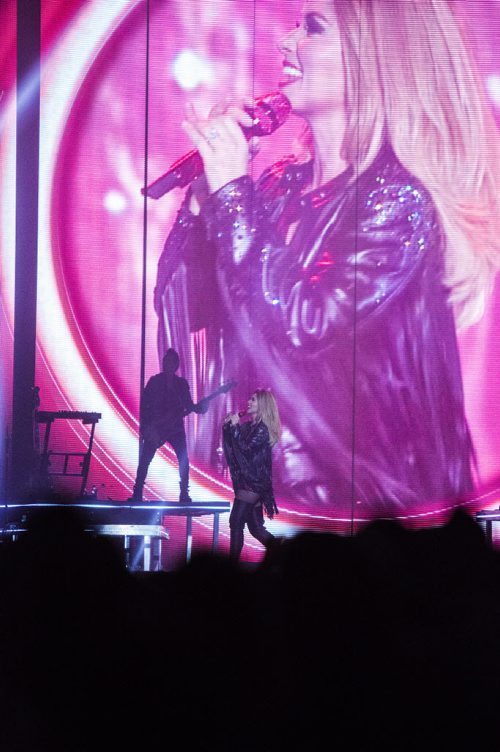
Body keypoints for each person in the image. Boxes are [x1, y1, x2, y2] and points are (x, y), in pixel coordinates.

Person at [154, 0, 500, 519]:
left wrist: (232, 192)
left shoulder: (396, 200)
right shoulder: (275, 189)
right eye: (295, 24)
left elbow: (303, 322)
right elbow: (191, 308)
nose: (285, 41)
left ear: (378, 54)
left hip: (354, 510)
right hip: (254, 490)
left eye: (312, 27)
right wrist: (209, 193)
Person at [129, 348, 207, 503]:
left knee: (183, 459)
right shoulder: (154, 381)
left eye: (170, 362)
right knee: (145, 459)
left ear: (176, 364)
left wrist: (200, 408)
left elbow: (189, 405)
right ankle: (137, 492)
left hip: (175, 428)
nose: (167, 364)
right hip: (156, 427)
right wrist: (146, 428)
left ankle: (184, 493)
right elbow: (145, 405)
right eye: (166, 361)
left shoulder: (181, 384)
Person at [223, 388, 281, 561]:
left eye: (253, 400)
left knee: (236, 521)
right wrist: (228, 427)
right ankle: (284, 553)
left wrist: (234, 427)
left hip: (254, 483)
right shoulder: (248, 426)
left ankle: (231, 568)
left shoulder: (262, 429)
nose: (248, 402)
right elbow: (234, 448)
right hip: (247, 482)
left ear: (262, 405)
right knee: (256, 528)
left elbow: (246, 449)